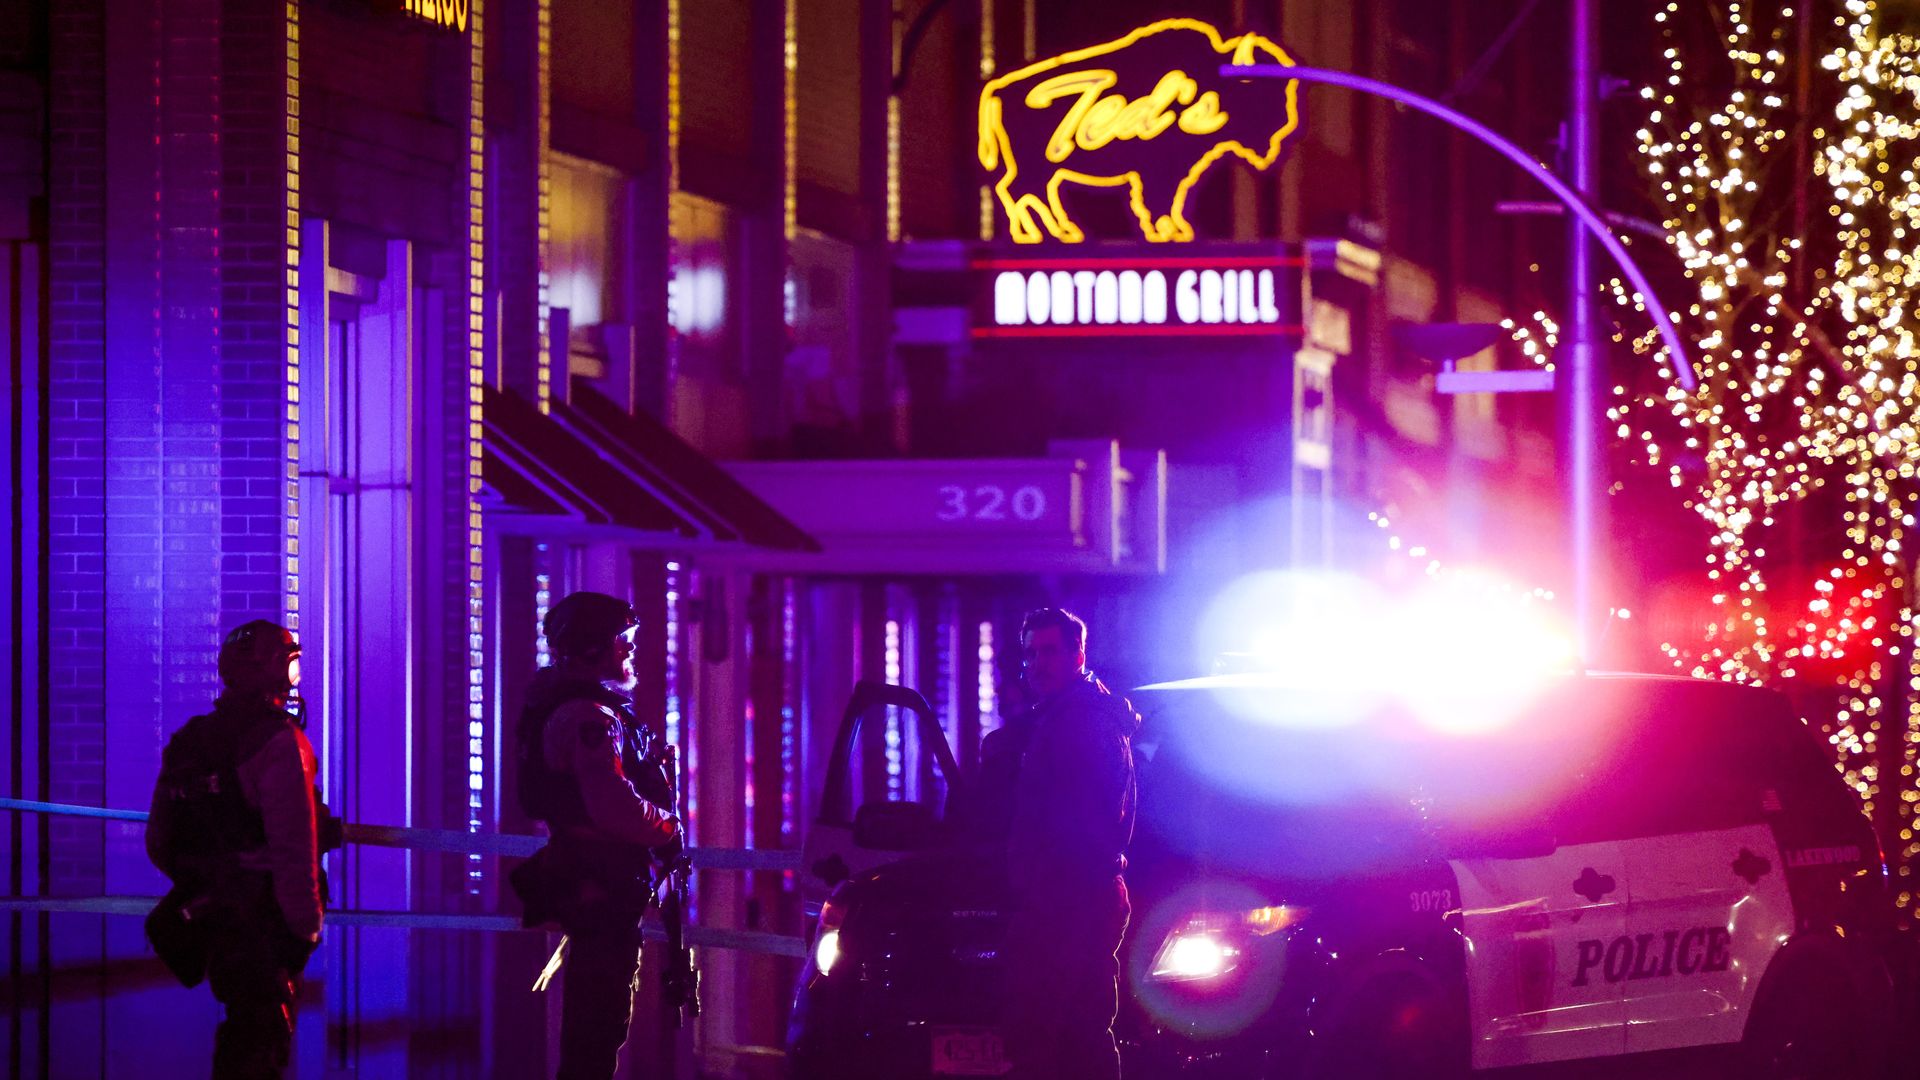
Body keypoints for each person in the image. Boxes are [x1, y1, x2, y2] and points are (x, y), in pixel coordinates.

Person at [146, 620, 330, 1080]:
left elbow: (159, 841)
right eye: (291, 666)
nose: (295, 677)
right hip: (266, 922)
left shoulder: (191, 740)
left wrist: (210, 882)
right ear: (271, 670)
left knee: (239, 1037)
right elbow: (295, 848)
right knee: (262, 1045)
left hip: (215, 918)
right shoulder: (280, 743)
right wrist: (304, 931)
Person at [510, 591, 680, 1080]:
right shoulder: (589, 718)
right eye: (620, 641)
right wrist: (666, 827)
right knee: (597, 1030)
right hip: (600, 888)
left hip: (599, 885)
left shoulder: (588, 709)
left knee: (599, 1025)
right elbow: (611, 804)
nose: (629, 651)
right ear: (591, 649)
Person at [999, 607, 1140, 1080]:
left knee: (1060, 1038)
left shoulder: (1082, 723)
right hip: (1071, 896)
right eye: (1030, 652)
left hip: (1072, 900)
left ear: (1078, 654)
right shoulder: (1067, 717)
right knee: (1074, 1034)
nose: (1037, 663)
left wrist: (1039, 883)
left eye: (1050, 651)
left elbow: (1081, 821)